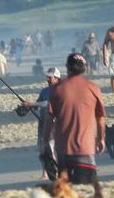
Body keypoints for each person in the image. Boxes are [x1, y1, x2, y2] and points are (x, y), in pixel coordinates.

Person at [42, 54, 106, 184]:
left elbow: (49, 119)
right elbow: (100, 118)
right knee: (84, 191)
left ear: (67, 68)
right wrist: (101, 139)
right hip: (86, 149)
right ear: (84, 68)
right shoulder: (93, 88)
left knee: (67, 193)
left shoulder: (57, 89)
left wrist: (45, 140)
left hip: (63, 150)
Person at [24, 67, 61, 179]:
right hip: (42, 123)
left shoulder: (60, 90)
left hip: (54, 123)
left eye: (50, 77)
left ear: (57, 78)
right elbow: (38, 104)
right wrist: (26, 107)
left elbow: (49, 103)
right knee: (43, 149)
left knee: (51, 147)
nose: (48, 79)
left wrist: (33, 104)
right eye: (47, 77)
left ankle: (55, 172)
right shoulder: (44, 91)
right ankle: (45, 173)